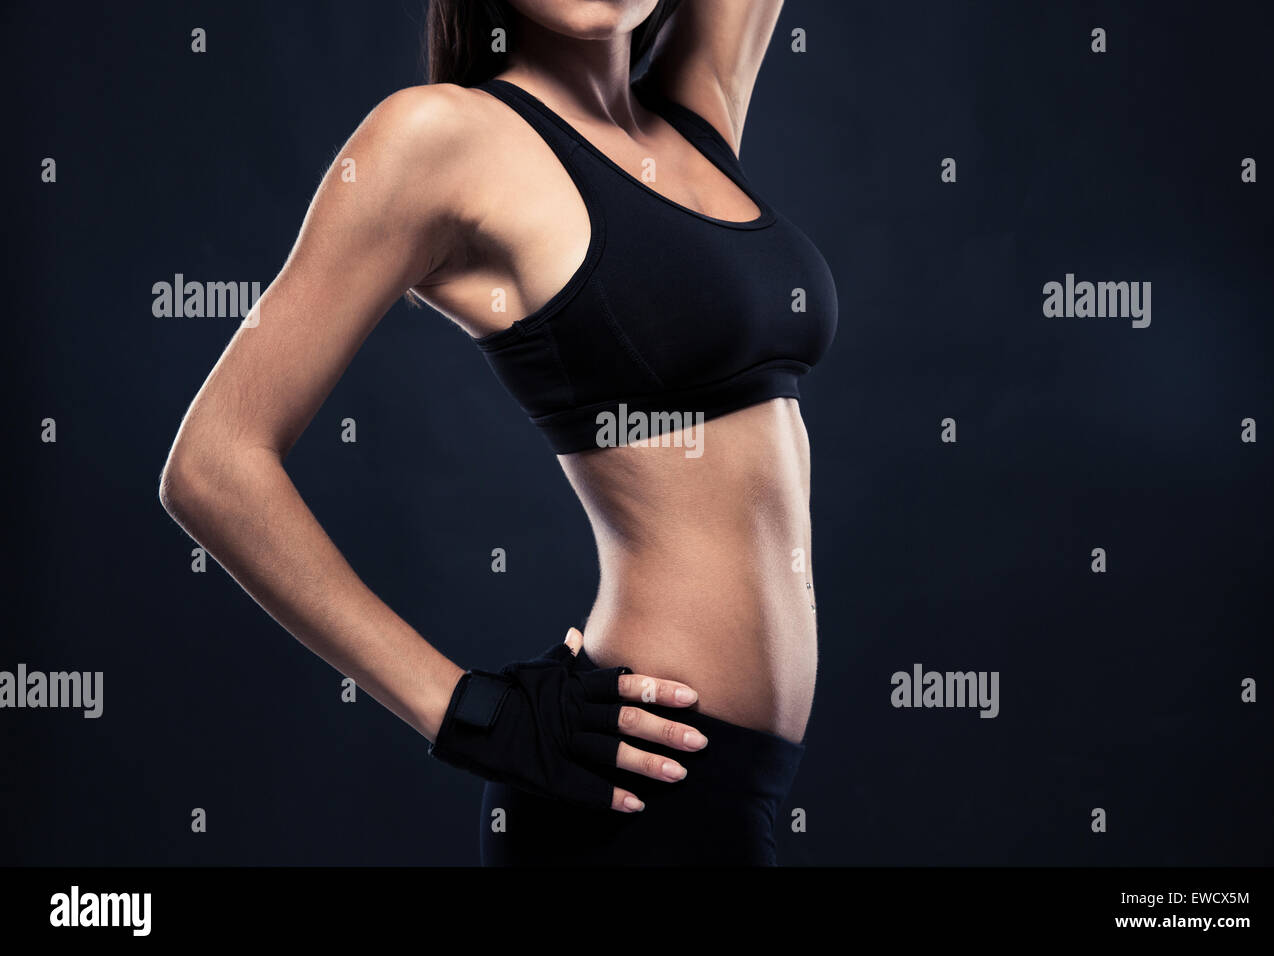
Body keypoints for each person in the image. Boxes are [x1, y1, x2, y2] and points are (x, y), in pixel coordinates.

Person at [158, 0, 836, 865]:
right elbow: (213, 464)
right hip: (626, 793)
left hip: (748, 786)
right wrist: (474, 715)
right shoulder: (441, 137)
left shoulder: (696, 107)